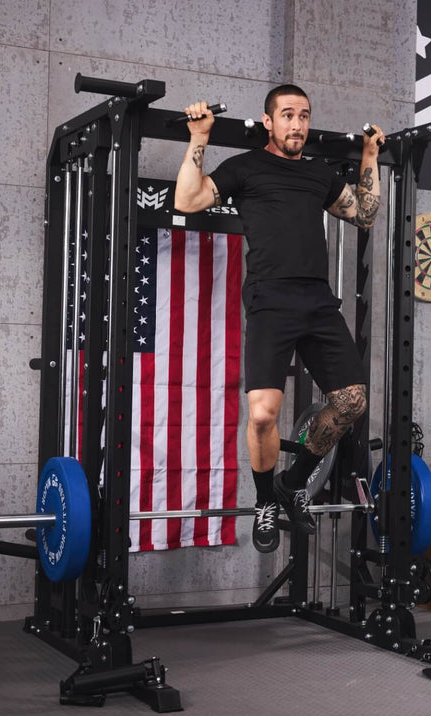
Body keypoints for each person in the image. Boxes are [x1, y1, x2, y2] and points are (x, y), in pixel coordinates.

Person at [174, 85, 385, 554]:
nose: (298, 124)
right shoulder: (245, 167)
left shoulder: (319, 173)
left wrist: (369, 155)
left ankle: (293, 481)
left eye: (304, 115)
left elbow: (366, 214)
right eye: (287, 115)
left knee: (352, 402)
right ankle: (266, 499)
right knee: (264, 414)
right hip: (270, 300)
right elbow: (187, 201)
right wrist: (199, 136)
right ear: (268, 122)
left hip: (317, 300)